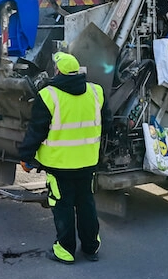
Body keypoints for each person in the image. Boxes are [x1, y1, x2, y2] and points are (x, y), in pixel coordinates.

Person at [18, 51, 111, 264]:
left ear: (57, 70)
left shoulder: (48, 96)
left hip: (59, 165)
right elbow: (107, 124)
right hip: (87, 162)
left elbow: (36, 131)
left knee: (62, 206)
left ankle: (65, 251)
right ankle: (91, 248)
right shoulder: (96, 92)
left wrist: (26, 156)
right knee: (86, 204)